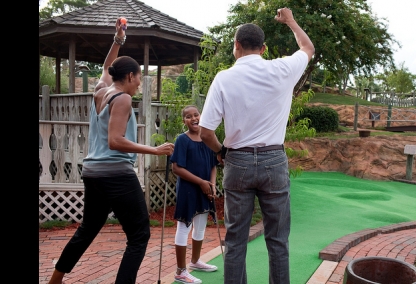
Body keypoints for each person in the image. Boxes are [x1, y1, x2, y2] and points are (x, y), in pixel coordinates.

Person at [47, 17, 175, 284]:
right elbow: (115, 141)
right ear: (130, 76)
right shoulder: (123, 98)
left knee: (88, 229)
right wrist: (155, 150)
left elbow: (107, 67)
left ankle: (55, 279)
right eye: (139, 77)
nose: (140, 82)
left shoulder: (99, 91)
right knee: (139, 235)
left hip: (93, 173)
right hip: (116, 174)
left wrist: (118, 39)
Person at [198, 7, 315, 284]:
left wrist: (221, 152)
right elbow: (307, 47)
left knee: (236, 240)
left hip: (237, 161)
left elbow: (205, 132)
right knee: (278, 240)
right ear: (263, 48)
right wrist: (290, 21)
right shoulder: (283, 69)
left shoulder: (224, 78)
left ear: (236, 46)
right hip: (274, 160)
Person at [169, 105, 220, 283]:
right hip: (189, 189)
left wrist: (212, 184)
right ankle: (180, 271)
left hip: (206, 189)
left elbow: (214, 164)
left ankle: (196, 261)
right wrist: (201, 182)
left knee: (200, 225)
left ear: (201, 116)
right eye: (188, 116)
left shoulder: (208, 137)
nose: (193, 118)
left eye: (196, 115)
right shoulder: (182, 140)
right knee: (184, 227)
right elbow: (176, 168)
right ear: (184, 120)